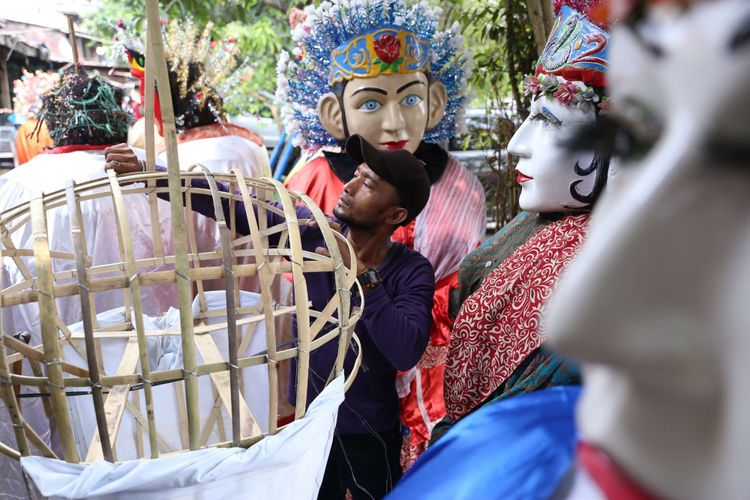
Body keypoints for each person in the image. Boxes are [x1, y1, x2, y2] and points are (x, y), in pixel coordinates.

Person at [108, 134, 435, 498]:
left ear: (395, 215)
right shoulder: (313, 234)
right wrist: (152, 175)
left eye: (367, 183)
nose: (350, 186)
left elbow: (406, 350)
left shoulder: (411, 271)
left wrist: (359, 276)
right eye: (355, 175)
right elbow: (233, 203)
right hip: (307, 426)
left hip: (370, 432)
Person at [277, 0, 486, 466]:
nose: (394, 122)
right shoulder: (311, 183)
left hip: (425, 374)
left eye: (409, 99)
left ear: (434, 103)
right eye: (371, 102)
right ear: (334, 113)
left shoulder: (459, 188)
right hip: (326, 392)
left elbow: (443, 300)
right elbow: (262, 223)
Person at [0, 68, 176, 500]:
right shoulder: (158, 177)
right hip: (158, 370)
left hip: (45, 368)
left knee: (59, 462)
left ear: (53, 122)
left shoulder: (15, 186)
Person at [443, 0, 613, 429]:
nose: (517, 143)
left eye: (550, 122)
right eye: (529, 119)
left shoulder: (631, 270)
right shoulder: (541, 226)